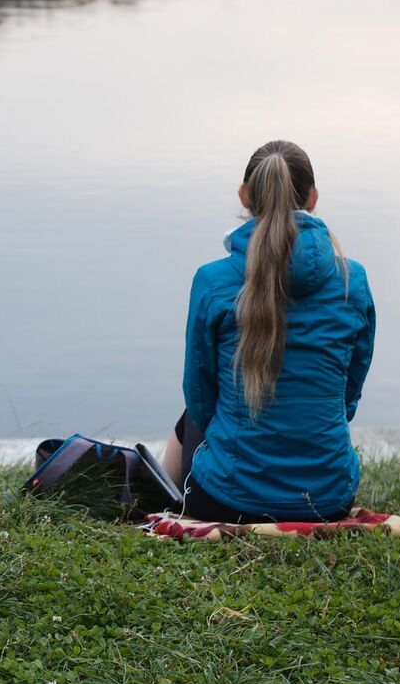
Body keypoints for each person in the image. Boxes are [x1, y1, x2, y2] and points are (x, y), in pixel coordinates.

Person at [160, 141, 375, 522]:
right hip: (328, 499)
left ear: (244, 196)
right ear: (312, 199)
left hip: (228, 501)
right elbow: (348, 393)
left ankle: (166, 502)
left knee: (192, 413)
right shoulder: (351, 281)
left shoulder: (212, 281)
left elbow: (200, 396)